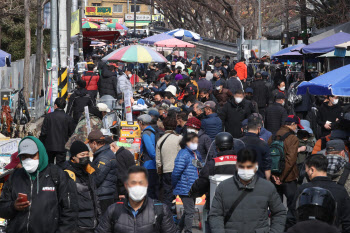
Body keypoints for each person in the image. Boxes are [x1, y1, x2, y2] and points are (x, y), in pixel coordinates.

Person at [0, 137, 78, 233]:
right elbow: (2, 207)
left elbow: (70, 211)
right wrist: (13, 206)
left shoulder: (57, 175)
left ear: (40, 153)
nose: (28, 160)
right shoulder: (15, 177)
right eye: (24, 156)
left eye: (32, 156)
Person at [209, 149, 286, 233]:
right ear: (237, 166)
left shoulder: (268, 187)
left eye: (249, 167)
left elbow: (279, 213)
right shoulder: (223, 187)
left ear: (256, 166)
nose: (245, 170)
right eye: (242, 167)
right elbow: (215, 215)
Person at [95, 166, 177, 233]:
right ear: (126, 185)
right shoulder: (113, 210)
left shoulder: (160, 210)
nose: (138, 186)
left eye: (141, 183)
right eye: (133, 183)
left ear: (147, 184)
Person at [288, 154, 350, 232]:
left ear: (312, 170)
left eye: (306, 169)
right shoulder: (340, 190)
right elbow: (347, 221)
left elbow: (291, 217)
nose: (306, 172)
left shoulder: (303, 190)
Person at [190, 132, 236, 205]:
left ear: (217, 148)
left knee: (206, 211)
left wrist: (193, 191)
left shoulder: (213, 163)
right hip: (239, 202)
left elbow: (202, 182)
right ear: (232, 145)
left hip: (216, 203)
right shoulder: (242, 162)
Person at [64, 141, 100, 233]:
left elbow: (94, 197)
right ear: (74, 157)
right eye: (82, 154)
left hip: (93, 222)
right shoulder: (68, 174)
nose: (85, 157)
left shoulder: (89, 172)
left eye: (87, 154)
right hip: (79, 225)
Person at [269, 115, 300, 213]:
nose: (296, 128)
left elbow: (268, 157)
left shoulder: (272, 136)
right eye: (296, 126)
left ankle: (276, 225)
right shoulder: (293, 139)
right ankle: (289, 225)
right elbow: (290, 160)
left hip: (273, 176)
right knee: (292, 205)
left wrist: (274, 176)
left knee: (276, 206)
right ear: (292, 124)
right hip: (288, 178)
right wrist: (281, 178)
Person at [172, 133, 202, 233]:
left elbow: (199, 166)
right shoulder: (184, 154)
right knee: (190, 211)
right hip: (185, 187)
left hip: (192, 187)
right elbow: (176, 172)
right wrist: (175, 185)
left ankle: (178, 229)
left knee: (189, 210)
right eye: (193, 142)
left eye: (196, 142)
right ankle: (188, 231)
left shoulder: (195, 153)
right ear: (186, 142)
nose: (195, 144)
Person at [156, 114, 182, 209]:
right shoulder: (179, 138)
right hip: (178, 170)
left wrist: (159, 172)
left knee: (167, 194)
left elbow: (158, 160)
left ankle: (167, 215)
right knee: (179, 194)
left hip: (166, 171)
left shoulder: (160, 140)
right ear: (175, 126)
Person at [87, 130, 117, 213]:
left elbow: (97, 179)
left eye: (89, 143)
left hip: (104, 196)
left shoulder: (103, 157)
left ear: (94, 143)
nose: (89, 146)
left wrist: (88, 167)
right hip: (105, 194)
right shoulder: (104, 153)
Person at [40, 97, 75, 167]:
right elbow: (71, 133)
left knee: (49, 166)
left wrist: (42, 143)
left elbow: (43, 132)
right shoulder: (68, 118)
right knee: (61, 166)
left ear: (55, 105)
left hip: (49, 146)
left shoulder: (48, 116)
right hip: (62, 146)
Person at [239, 115, 272, 180]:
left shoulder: (239, 142)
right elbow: (267, 167)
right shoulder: (263, 144)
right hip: (258, 180)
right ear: (259, 128)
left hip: (241, 180)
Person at [137, 114, 159, 200]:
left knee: (149, 189)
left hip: (149, 165)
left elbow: (151, 151)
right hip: (154, 164)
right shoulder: (153, 131)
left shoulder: (146, 134)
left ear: (141, 122)